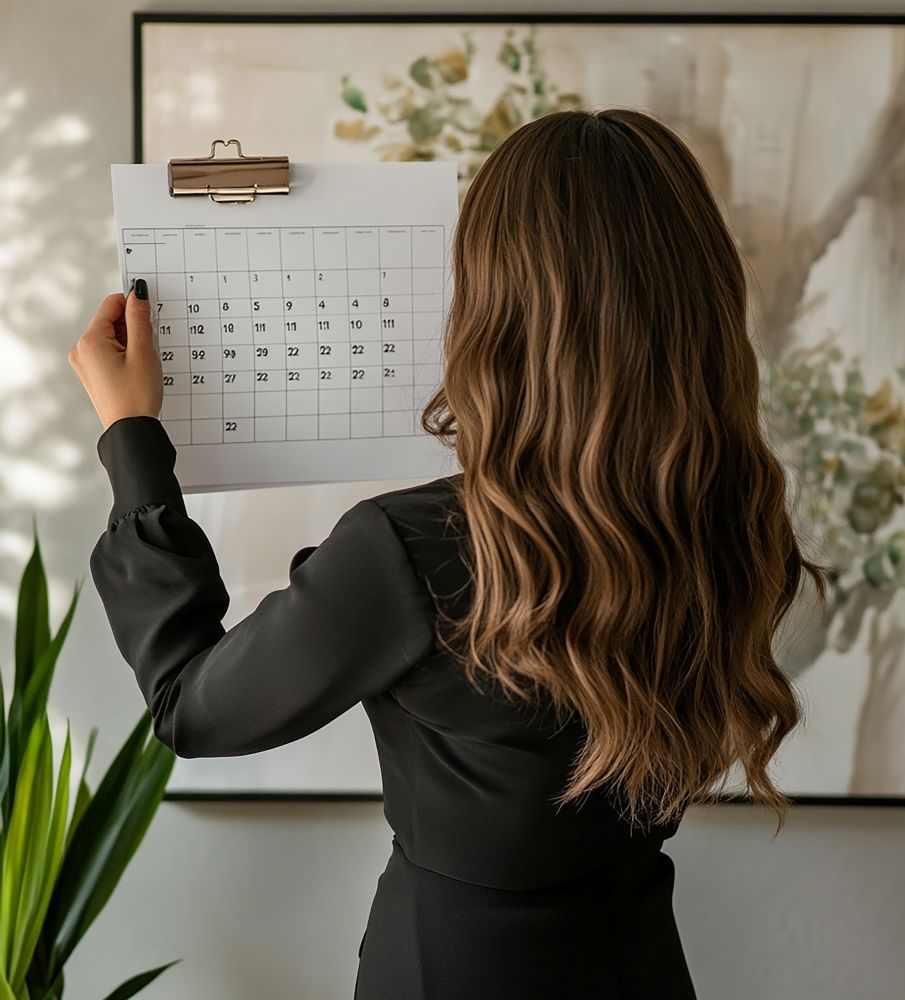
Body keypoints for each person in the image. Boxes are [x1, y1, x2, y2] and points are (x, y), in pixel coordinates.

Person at [68, 108, 826, 1000]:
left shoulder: (413, 548)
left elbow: (192, 710)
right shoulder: (737, 527)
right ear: (701, 300)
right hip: (640, 966)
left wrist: (132, 440)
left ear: (493, 302)